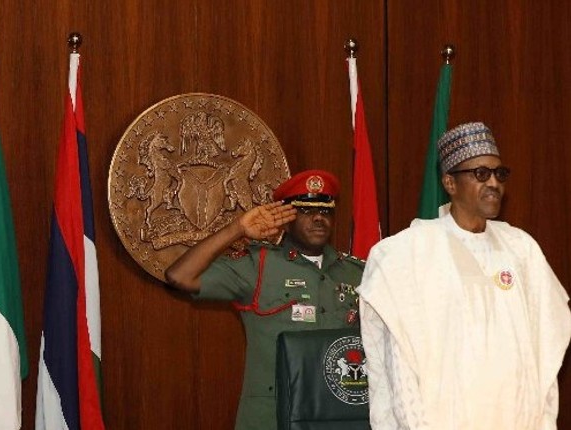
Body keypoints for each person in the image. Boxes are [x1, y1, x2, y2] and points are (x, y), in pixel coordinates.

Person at [358, 122, 571, 429]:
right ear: (450, 183)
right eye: (480, 174)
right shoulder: (407, 255)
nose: (494, 183)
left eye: (500, 174)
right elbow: (400, 372)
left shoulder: (521, 249)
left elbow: (545, 354)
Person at [165, 169, 366, 430]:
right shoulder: (258, 264)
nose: (318, 218)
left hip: (337, 414)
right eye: (305, 211)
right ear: (286, 220)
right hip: (272, 417)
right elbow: (180, 276)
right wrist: (237, 229)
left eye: (326, 211)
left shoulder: (356, 272)